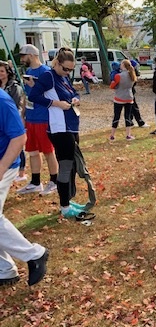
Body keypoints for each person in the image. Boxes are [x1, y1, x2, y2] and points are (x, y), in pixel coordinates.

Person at [28, 47, 88, 219]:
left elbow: (74, 92)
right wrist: (56, 103)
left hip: (71, 126)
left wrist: (76, 98)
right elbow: (34, 96)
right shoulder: (48, 76)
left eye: (71, 70)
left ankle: (68, 200)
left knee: (72, 165)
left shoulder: (63, 77)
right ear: (57, 63)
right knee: (66, 166)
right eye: (65, 69)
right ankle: (64, 207)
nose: (68, 72)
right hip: (59, 128)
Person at [0, 88, 49, 286]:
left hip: (4, 165)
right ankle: (4, 269)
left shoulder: (2, 101)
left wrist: (1, 168)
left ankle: (34, 254)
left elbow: (19, 137)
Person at [17, 45, 59, 196]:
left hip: (43, 118)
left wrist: (35, 86)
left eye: (23, 56)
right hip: (31, 118)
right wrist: (23, 115)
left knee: (48, 151)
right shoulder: (28, 71)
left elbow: (51, 95)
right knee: (33, 151)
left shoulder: (46, 72)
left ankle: (54, 181)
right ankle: (35, 182)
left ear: (31, 55)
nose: (21, 59)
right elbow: (26, 96)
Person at [0, 61, 27, 182]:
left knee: (18, 148)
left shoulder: (14, 88)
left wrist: (2, 168)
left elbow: (15, 105)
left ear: (7, 73)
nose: (0, 74)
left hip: (13, 119)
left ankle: (22, 171)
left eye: (2, 71)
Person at [109, 59, 136, 141]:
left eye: (121, 64)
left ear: (123, 65)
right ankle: (128, 135)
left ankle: (112, 135)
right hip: (129, 97)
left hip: (119, 97)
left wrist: (115, 85)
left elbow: (112, 86)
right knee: (127, 116)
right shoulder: (132, 75)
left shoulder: (118, 76)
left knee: (116, 116)